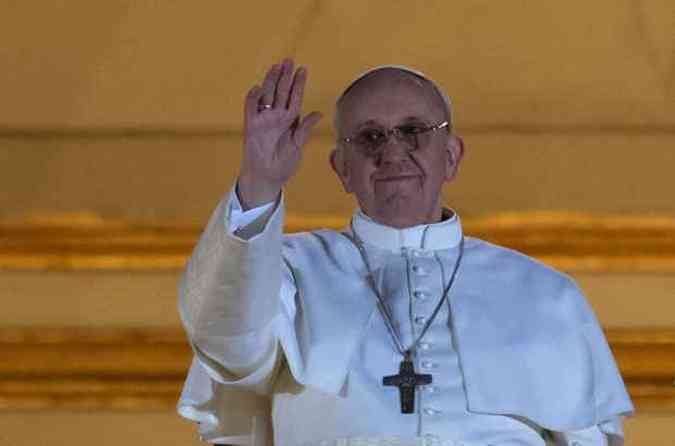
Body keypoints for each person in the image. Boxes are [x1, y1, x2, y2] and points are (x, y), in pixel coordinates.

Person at [176, 59, 634, 446]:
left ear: (451, 156)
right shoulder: (289, 272)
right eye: (370, 137)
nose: (392, 152)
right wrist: (259, 182)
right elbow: (227, 343)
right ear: (342, 169)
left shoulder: (544, 294)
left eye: (413, 131)